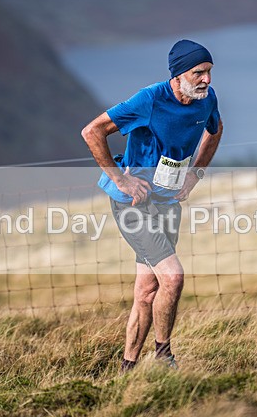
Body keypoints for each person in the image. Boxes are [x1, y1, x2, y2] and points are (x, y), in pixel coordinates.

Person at [81, 39, 223, 372]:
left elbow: (215, 131)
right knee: (173, 277)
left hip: (168, 201)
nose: (206, 80)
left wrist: (195, 175)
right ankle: (163, 357)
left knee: (148, 289)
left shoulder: (206, 99)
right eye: (198, 72)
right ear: (177, 75)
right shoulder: (150, 99)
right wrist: (121, 180)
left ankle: (128, 369)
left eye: (209, 72)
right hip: (133, 203)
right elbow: (92, 131)